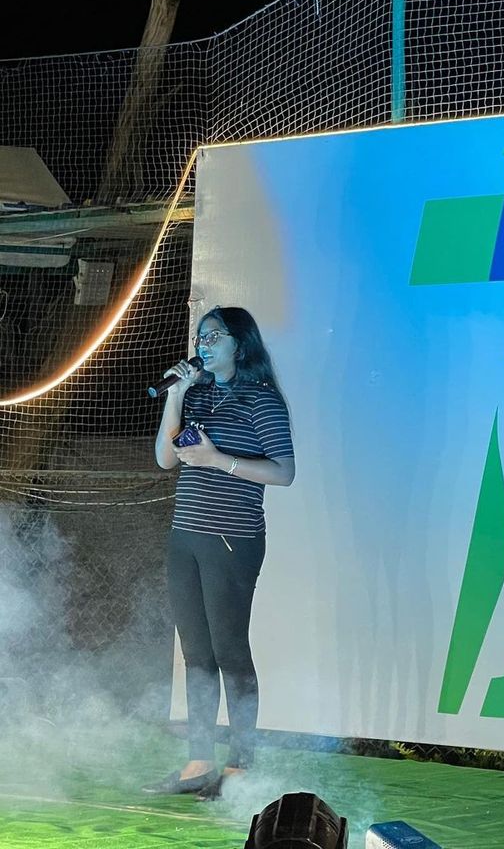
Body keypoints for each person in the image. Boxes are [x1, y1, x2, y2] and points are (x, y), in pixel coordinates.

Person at [142, 306, 295, 799]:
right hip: (185, 536)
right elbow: (166, 459)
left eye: (213, 337)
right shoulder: (198, 393)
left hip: (232, 540)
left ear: (240, 344)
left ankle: (240, 765)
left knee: (229, 651)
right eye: (200, 337)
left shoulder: (262, 399)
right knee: (196, 653)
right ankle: (198, 761)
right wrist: (176, 397)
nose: (203, 345)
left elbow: (284, 472)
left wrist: (218, 460)